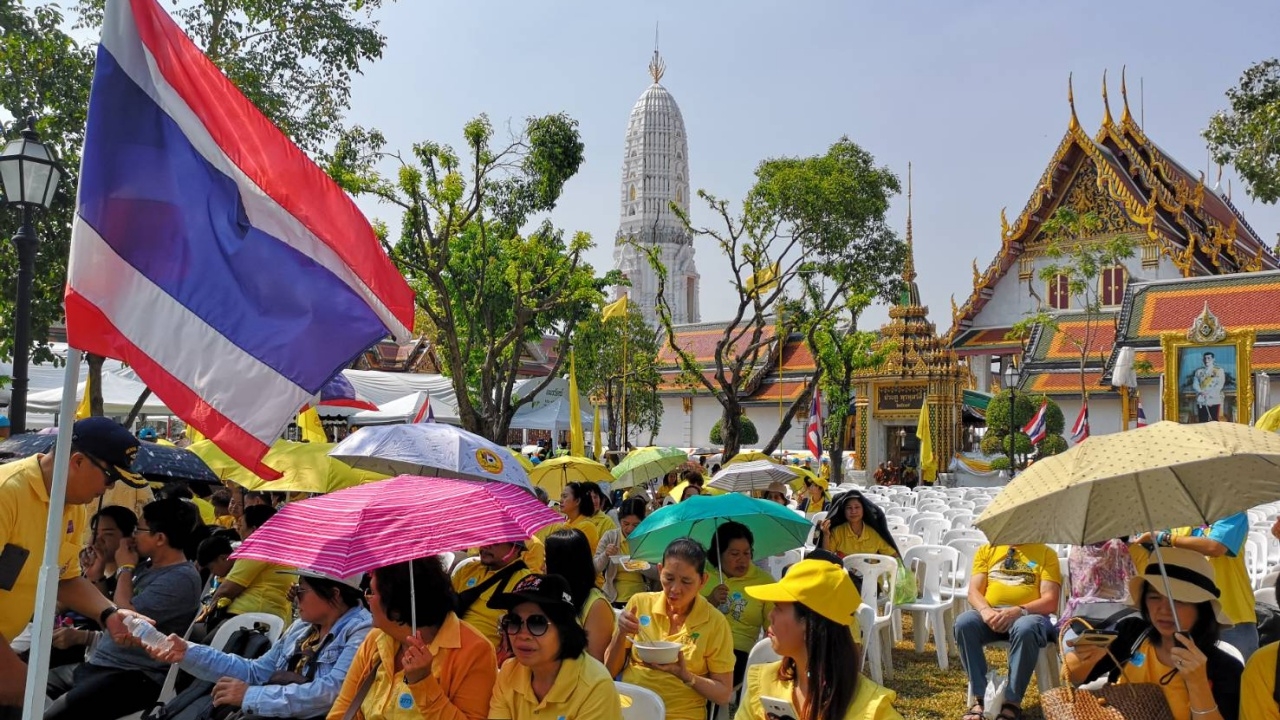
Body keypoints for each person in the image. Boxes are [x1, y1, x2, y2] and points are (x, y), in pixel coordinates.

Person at [0, 417, 149, 713]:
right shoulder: (6, 493)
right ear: (78, 462)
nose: (109, 487)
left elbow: (64, 577)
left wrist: (109, 613)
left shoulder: (70, 507)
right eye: (110, 477)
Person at [44, 498, 205, 720]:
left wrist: (125, 568)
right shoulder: (148, 567)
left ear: (159, 538)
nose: (132, 536)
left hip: (135, 675)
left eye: (139, 529)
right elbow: (107, 614)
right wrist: (97, 575)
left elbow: (126, 618)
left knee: (55, 715)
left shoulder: (181, 578)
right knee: (25, 688)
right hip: (102, 663)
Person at [148, 569, 371, 718]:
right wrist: (188, 652)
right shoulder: (302, 629)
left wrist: (250, 696)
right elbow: (256, 671)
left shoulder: (361, 631)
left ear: (335, 594)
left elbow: (332, 693)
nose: (294, 597)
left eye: (301, 590)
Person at [1065, 548, 1241, 720]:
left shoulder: (1225, 668)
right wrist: (1086, 659)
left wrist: (1198, 683)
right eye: (1154, 597)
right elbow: (1073, 678)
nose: (1164, 610)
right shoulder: (1132, 634)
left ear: (1202, 609)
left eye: (1178, 600)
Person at [329, 556, 496, 719]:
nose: (367, 600)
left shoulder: (475, 650)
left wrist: (423, 683)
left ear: (396, 609)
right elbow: (343, 709)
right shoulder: (375, 639)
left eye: (371, 592)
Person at [736, 559, 902, 720]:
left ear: (808, 623)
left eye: (778, 608)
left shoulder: (872, 708)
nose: (770, 615)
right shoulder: (764, 682)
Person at [606, 538, 735, 720]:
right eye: (669, 578)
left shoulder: (715, 622)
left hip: (681, 714)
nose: (675, 589)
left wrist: (686, 676)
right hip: (631, 709)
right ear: (659, 571)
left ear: (703, 580)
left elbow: (723, 693)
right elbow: (609, 670)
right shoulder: (639, 603)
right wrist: (621, 633)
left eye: (686, 581)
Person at [486, 574, 624, 720]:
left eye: (537, 623)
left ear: (564, 630)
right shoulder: (508, 671)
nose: (522, 634)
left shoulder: (595, 686)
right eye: (514, 621)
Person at [953, 542, 1061, 720]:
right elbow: (973, 592)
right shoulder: (986, 551)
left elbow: (1050, 600)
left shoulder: (1045, 553)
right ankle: (981, 699)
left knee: (1024, 628)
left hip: (1028, 615)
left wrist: (1019, 610)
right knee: (964, 623)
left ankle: (1012, 703)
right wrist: (985, 611)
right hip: (991, 613)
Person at [1139, 511, 1258, 660]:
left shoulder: (1231, 510)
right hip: (1187, 619)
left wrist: (1164, 538)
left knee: (1238, 679)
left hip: (1233, 617)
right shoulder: (1174, 515)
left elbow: (1215, 547)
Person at [702, 521, 774, 687]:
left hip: (737, 650)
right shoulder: (702, 573)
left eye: (747, 553)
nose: (742, 560)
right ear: (718, 553)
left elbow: (773, 626)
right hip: (701, 643)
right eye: (734, 554)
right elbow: (686, 612)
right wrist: (710, 600)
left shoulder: (763, 581)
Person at [206, 504, 294, 627]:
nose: (238, 530)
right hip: (274, 620)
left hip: (247, 619)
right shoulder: (287, 550)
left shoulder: (258, 548)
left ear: (254, 530)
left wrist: (205, 615)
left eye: (241, 526)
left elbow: (226, 591)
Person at [544, 529, 614, 662]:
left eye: (546, 560)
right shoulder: (551, 594)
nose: (543, 566)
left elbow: (597, 661)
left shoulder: (596, 605)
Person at [451, 541, 531, 649]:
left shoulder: (525, 583)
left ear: (515, 548)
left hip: (483, 656)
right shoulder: (467, 569)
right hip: (445, 645)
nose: (486, 545)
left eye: (495, 542)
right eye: (483, 540)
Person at [1061, 538, 1136, 628]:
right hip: (1117, 614)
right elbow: (1132, 582)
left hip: (1081, 616)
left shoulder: (1076, 548)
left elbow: (1076, 589)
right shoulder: (1117, 546)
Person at [594, 498, 653, 605]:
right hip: (613, 597)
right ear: (619, 520)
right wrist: (606, 554)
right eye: (625, 523)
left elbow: (659, 572)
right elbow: (595, 568)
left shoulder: (647, 539)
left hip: (642, 598)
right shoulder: (610, 536)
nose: (630, 529)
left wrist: (639, 565)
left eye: (636, 525)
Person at [819, 491, 899, 559]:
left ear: (863, 510)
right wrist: (826, 535)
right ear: (844, 511)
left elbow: (894, 556)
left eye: (857, 507)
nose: (853, 511)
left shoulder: (874, 533)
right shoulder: (837, 532)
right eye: (849, 508)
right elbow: (826, 559)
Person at [557, 482, 601, 552]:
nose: (561, 501)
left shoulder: (587, 526)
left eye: (565, 496)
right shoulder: (566, 524)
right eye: (561, 496)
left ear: (577, 501)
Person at [1192, 351, 1226, 422]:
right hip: (1201, 399)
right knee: (1202, 420)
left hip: (1213, 399)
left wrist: (1209, 394)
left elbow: (1219, 385)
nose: (1206, 360)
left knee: (1214, 421)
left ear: (1213, 359)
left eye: (1208, 358)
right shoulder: (1199, 372)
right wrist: (1200, 392)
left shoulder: (1219, 371)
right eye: (1205, 358)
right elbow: (1195, 384)